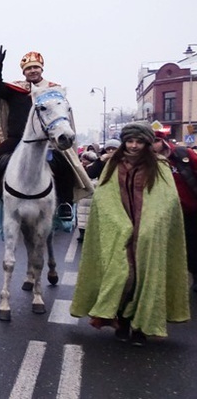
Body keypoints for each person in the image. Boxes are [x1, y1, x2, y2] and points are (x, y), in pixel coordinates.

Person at [70, 123, 190, 346]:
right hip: (120, 230)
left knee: (146, 277)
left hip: (148, 233)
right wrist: (117, 222)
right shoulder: (113, 165)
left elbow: (168, 200)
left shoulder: (160, 167)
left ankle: (141, 327)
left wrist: (151, 224)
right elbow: (103, 199)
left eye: (139, 142)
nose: (133, 146)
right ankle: (123, 320)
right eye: (130, 141)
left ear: (146, 143)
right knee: (122, 275)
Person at [0, 45, 85, 220]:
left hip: (47, 142)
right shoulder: (15, 90)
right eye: (28, 68)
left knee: (65, 165)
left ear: (41, 69)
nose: (32, 71)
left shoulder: (53, 91)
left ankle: (65, 203)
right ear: (24, 72)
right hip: (17, 138)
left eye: (36, 67)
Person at [152, 131, 197, 293]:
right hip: (165, 214)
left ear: (163, 141)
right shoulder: (148, 161)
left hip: (190, 211)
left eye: (155, 141)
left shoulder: (183, 154)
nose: (152, 145)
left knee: (192, 247)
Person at [77, 139, 120, 243]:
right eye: (108, 149)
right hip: (105, 195)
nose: (111, 151)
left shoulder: (124, 161)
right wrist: (100, 161)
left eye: (114, 149)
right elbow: (90, 174)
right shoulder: (101, 162)